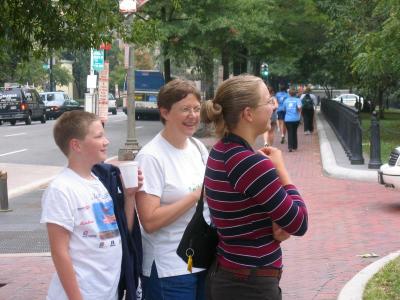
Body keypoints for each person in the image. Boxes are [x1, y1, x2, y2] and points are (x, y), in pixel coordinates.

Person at [201, 75, 308, 300]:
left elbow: (243, 211)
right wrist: (281, 170)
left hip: (228, 273)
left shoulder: (219, 151)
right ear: (248, 114)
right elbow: (299, 222)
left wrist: (273, 223)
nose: (273, 107)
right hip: (251, 283)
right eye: (268, 101)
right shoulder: (251, 164)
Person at [40, 110, 143, 300]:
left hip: (107, 293)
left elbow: (121, 232)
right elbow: (59, 251)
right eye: (99, 136)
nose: (106, 141)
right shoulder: (61, 189)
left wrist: (129, 197)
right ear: (76, 145)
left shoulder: (99, 182)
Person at [134, 79, 209, 300]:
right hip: (169, 269)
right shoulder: (151, 157)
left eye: (196, 109)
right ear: (164, 112)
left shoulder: (197, 147)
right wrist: (195, 196)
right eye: (185, 109)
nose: (193, 116)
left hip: (200, 260)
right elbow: (149, 221)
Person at [284, 87, 302, 152]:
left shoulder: (286, 100)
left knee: (290, 132)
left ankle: (290, 147)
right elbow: (299, 108)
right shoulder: (297, 100)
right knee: (294, 132)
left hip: (288, 119)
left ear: (289, 93)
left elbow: (284, 109)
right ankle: (295, 146)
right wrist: (298, 112)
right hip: (296, 119)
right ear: (295, 94)